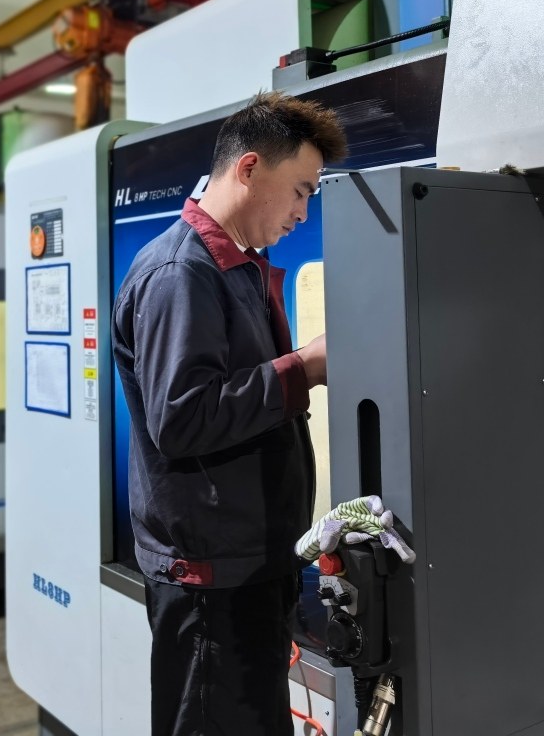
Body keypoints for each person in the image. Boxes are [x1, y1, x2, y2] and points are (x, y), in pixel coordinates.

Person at [111, 92, 346, 736]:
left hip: (247, 565)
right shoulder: (179, 274)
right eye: (300, 191)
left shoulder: (236, 269)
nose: (303, 212)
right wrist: (305, 367)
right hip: (210, 584)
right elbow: (182, 418)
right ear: (248, 169)